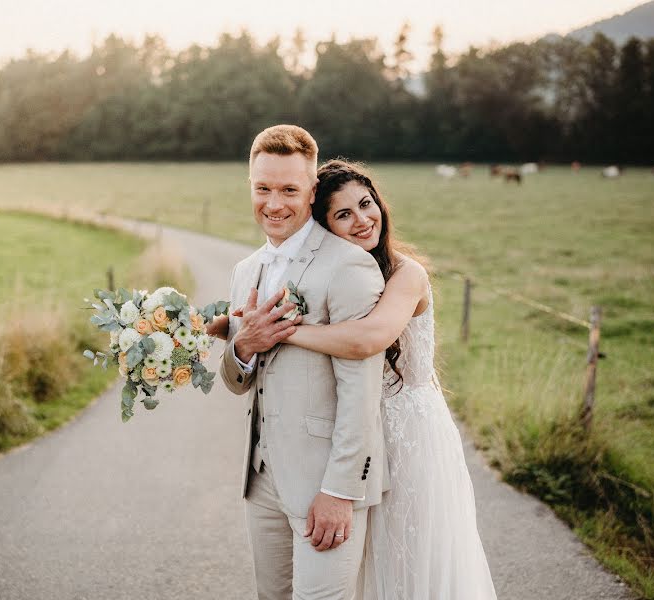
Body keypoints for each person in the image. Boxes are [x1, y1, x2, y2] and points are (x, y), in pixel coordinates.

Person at [213, 158, 497, 599]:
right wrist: (240, 334)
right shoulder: (323, 271)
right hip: (357, 433)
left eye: (366, 204)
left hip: (408, 435)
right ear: (324, 225)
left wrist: (281, 332)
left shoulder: (407, 273)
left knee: (409, 563)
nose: (363, 219)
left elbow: (369, 339)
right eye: (343, 214)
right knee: (364, 573)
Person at [218, 125, 390, 600]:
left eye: (290, 189)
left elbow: (362, 392)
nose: (274, 204)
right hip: (262, 482)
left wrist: (340, 491)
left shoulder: (348, 266)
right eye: (263, 189)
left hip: (326, 486)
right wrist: (243, 347)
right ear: (249, 187)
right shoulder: (244, 271)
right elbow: (237, 382)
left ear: (312, 192)